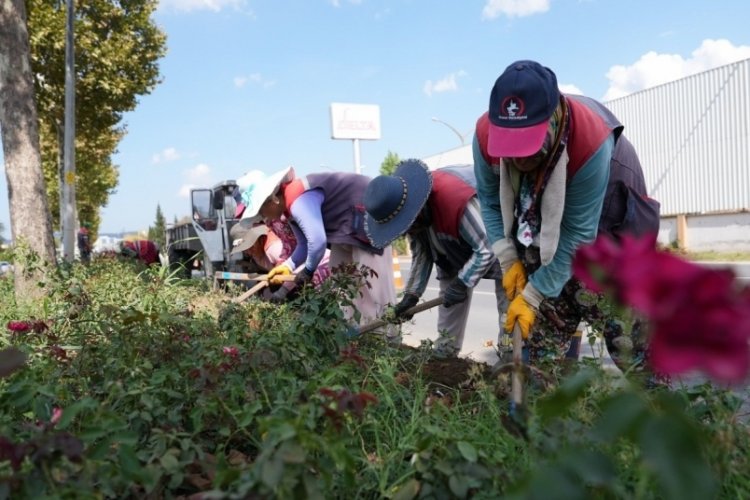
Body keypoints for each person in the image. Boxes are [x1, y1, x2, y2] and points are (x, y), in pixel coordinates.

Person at [473, 60, 661, 370]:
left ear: (555, 116)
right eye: (512, 150)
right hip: (545, 225)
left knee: (633, 346)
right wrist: (508, 259)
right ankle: (546, 398)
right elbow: (491, 203)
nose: (520, 162)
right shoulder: (485, 137)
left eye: (528, 148)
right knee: (538, 351)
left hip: (610, 226)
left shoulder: (591, 140)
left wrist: (533, 295)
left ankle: (661, 407)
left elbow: (577, 236)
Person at [364, 159, 507, 358]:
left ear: (416, 209)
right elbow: (422, 256)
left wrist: (462, 283)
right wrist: (411, 296)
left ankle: (510, 357)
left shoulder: (454, 199)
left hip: (503, 240)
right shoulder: (416, 218)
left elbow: (487, 247)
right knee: (450, 302)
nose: (409, 231)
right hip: (455, 248)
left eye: (408, 225)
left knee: (509, 309)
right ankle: (445, 353)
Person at [239, 167, 396, 333]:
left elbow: (318, 241)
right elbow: (304, 246)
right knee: (340, 278)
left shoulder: (298, 200)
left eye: (261, 211)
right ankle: (357, 333)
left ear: (271, 200)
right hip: (345, 230)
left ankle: (391, 339)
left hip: (366, 220)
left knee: (376, 287)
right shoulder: (289, 208)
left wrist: (307, 271)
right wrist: (287, 266)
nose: (264, 218)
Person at [229, 220, 331, 298]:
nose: (248, 252)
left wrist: (281, 292)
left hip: (321, 265)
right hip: (306, 275)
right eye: (245, 249)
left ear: (258, 239)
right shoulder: (257, 252)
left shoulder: (274, 248)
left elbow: (296, 268)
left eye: (250, 246)